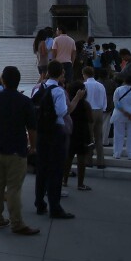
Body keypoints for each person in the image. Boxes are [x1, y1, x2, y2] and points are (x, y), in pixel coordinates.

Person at [0, 66, 40, 236]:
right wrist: (33, 146)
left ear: (3, 80)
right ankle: (17, 223)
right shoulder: (25, 101)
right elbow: (32, 129)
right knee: (14, 188)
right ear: (18, 81)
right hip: (17, 151)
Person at [33, 60, 75, 219]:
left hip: (41, 132)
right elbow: (62, 111)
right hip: (55, 132)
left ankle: (39, 203)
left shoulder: (38, 88)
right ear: (60, 73)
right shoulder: (58, 91)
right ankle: (55, 206)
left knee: (42, 169)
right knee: (56, 170)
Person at [62, 79, 93, 191]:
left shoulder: (69, 103)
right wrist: (91, 137)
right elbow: (90, 121)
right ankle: (80, 184)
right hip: (82, 133)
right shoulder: (86, 105)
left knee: (68, 158)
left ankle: (64, 180)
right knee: (81, 160)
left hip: (70, 132)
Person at [81, 66, 107, 169]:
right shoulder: (100, 85)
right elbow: (104, 99)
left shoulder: (85, 85)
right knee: (98, 137)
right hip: (100, 111)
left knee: (89, 137)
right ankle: (101, 161)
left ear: (85, 74)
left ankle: (89, 160)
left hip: (89, 111)